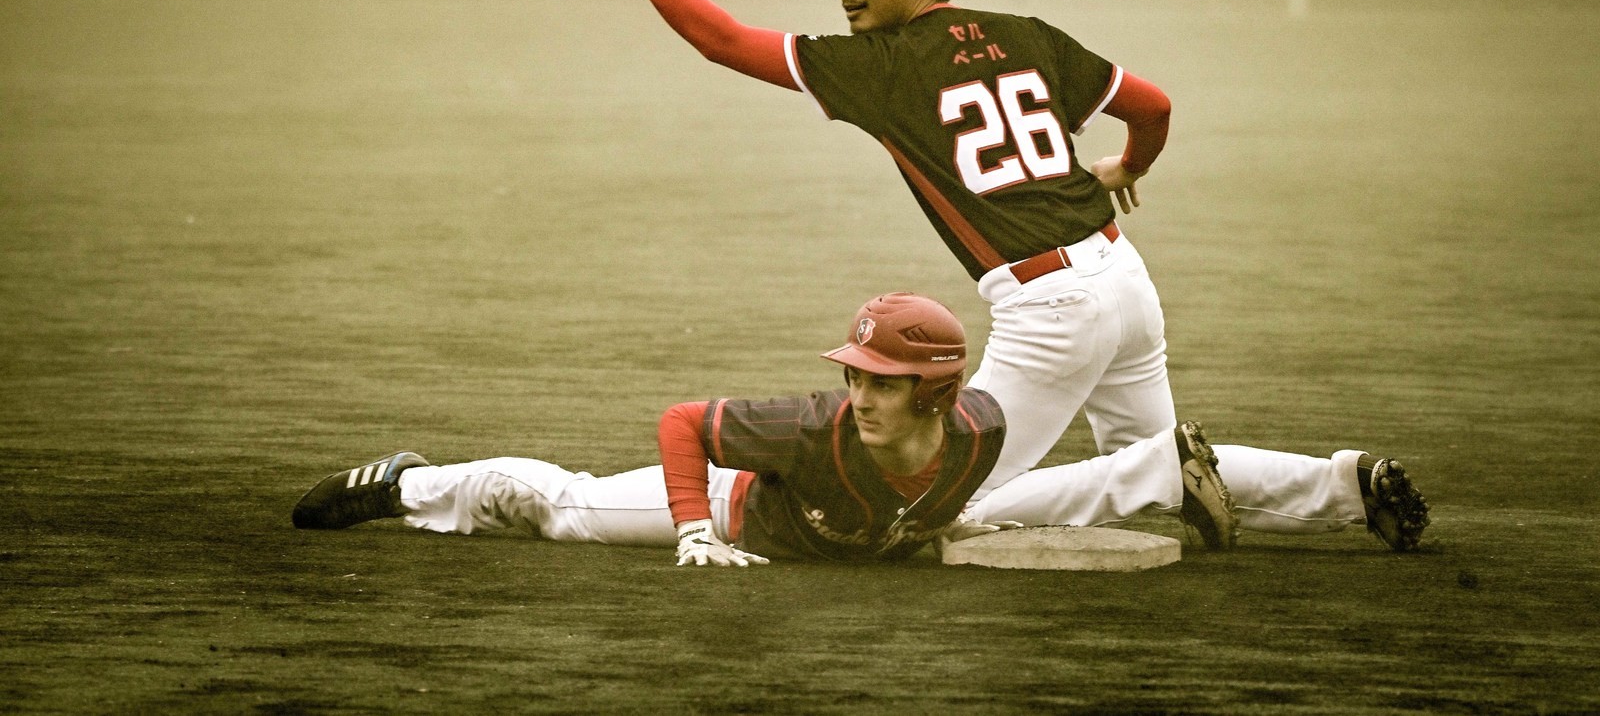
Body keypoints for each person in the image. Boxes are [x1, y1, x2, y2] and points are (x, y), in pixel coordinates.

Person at [594, 0, 1429, 551]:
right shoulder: (1025, 33)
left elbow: (721, 40)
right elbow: (1154, 105)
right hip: (1122, 278)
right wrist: (1129, 165)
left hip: (1051, 310)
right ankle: (1345, 485)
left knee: (952, 494)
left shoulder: (879, 67)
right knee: (1142, 462)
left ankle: (1173, 473)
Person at [291, 292, 1244, 562]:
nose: (860, 391)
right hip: (739, 510)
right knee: (559, 507)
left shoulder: (982, 435)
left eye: (882, 379)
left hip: (831, 538)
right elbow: (681, 421)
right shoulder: (809, 427)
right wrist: (695, 525)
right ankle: (404, 483)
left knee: (1020, 507)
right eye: (856, 373)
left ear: (939, 394)